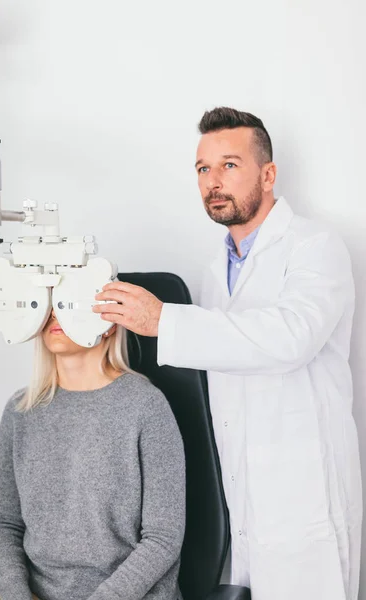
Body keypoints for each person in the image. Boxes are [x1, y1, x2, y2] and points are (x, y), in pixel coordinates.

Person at [93, 107, 363, 600]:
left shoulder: (316, 246)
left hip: (305, 505)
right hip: (241, 507)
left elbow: (290, 338)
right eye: (203, 169)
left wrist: (165, 321)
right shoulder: (216, 269)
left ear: (268, 174)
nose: (213, 181)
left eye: (229, 165)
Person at [0, 309, 185, 600]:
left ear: (108, 325)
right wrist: (16, 593)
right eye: (48, 305)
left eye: (68, 305)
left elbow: (163, 537)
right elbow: (4, 522)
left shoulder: (145, 406)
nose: (54, 315)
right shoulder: (21, 410)